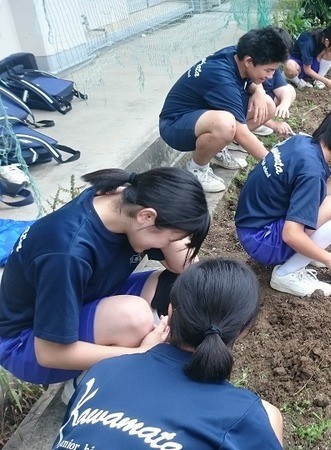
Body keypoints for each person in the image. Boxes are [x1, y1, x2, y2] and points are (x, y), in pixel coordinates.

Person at [0, 167, 210, 385]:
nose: (168, 245)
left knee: (182, 286)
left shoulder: (122, 200)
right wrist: (142, 353)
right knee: (134, 316)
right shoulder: (67, 254)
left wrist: (177, 222)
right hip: (28, 344)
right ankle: (90, 382)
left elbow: (185, 268)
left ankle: (114, 353)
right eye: (169, 239)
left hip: (84, 297)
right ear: (146, 216)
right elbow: (49, 353)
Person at [53, 258, 284, 449]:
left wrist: (142, 352)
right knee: (271, 416)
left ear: (171, 309)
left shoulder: (102, 370)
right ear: (244, 329)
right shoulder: (245, 415)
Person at [235, 99, 331, 297]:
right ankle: (287, 274)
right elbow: (290, 234)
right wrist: (329, 259)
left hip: (253, 222)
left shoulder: (303, 141)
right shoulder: (312, 173)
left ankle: (307, 252)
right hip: (261, 239)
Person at [159, 26, 293, 193]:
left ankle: (217, 147)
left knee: (267, 104)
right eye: (268, 70)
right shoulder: (221, 78)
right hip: (174, 125)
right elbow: (242, 133)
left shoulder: (234, 53)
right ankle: (197, 169)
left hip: (200, 115)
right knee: (225, 125)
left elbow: (249, 82)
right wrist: (277, 166)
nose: (271, 76)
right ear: (249, 61)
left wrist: (259, 90)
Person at [284, 25, 331, 91]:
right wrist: (326, 81)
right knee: (289, 66)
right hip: (299, 65)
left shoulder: (328, 42)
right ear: (327, 41)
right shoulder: (308, 42)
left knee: (330, 53)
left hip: (311, 65)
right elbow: (307, 70)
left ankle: (317, 80)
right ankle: (298, 81)